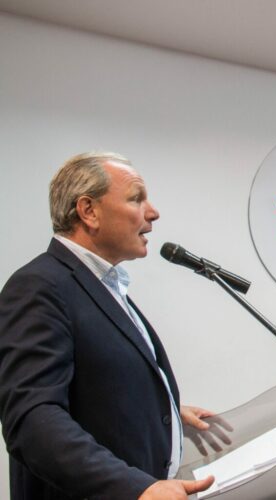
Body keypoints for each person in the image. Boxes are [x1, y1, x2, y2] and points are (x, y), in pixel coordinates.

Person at [0, 152, 215, 499]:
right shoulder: (40, 286)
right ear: (89, 211)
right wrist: (136, 488)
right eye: (136, 198)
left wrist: (165, 409)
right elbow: (33, 420)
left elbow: (97, 381)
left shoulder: (104, 285)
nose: (153, 212)